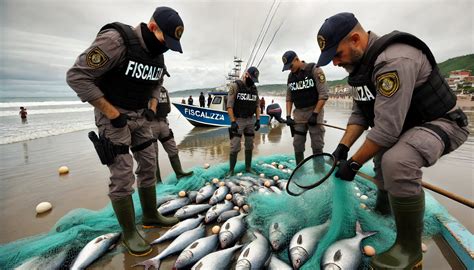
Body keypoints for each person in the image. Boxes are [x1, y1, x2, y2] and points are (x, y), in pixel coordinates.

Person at [316, 12, 469, 269]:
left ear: (355, 39)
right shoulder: (359, 68)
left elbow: (386, 130)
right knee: (379, 156)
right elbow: (360, 113)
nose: (334, 63)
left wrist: (353, 164)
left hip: (442, 123)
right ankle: (385, 207)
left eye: (337, 54)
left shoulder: (393, 60)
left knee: (396, 161)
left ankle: (409, 250)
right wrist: (342, 148)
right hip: (406, 126)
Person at [66, 6, 184, 256]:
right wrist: (113, 114)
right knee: (121, 174)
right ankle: (130, 231)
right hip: (113, 116)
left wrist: (152, 107)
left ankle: (151, 215)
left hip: (141, 115)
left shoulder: (157, 54)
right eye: (167, 40)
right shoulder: (115, 40)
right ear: (153, 28)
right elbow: (77, 77)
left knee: (149, 163)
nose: (167, 48)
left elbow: (156, 83)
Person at [282, 50, 329, 165]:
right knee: (297, 143)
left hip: (314, 111)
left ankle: (319, 172)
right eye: (287, 67)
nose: (290, 69)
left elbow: (323, 95)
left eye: (291, 66)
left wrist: (315, 114)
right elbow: (289, 98)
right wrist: (288, 116)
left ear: (297, 59)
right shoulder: (290, 76)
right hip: (298, 113)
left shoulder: (315, 70)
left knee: (317, 144)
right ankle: (300, 172)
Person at [152, 86, 193, 181]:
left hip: (163, 122)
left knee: (173, 149)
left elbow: (168, 108)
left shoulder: (164, 90)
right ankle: (157, 181)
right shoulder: (145, 87)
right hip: (150, 124)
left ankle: (179, 173)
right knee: (153, 155)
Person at [226, 66, 261, 176]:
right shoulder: (235, 86)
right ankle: (231, 170)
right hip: (238, 120)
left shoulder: (254, 89)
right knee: (235, 146)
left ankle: (248, 168)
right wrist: (233, 122)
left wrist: (258, 119)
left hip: (250, 120)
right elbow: (229, 106)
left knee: (250, 145)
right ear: (246, 75)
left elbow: (257, 106)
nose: (252, 82)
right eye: (251, 79)